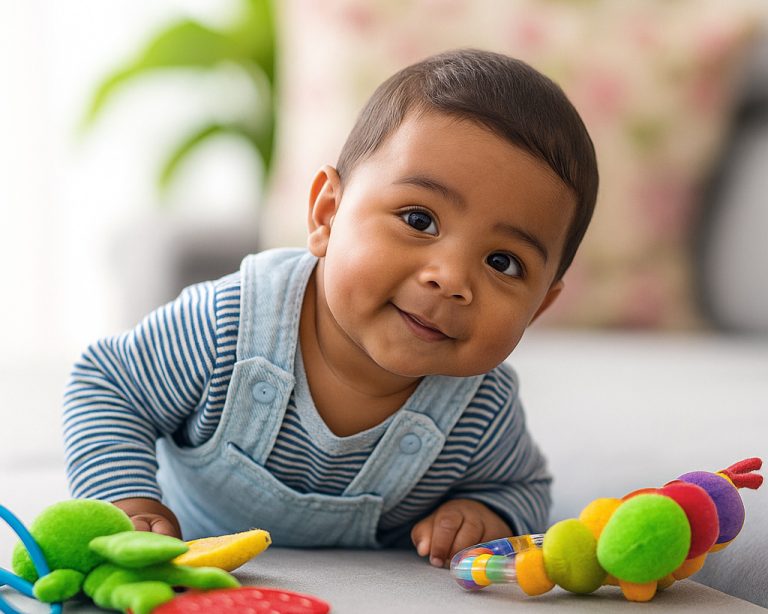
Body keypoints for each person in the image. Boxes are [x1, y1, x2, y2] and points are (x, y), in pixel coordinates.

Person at [63, 49, 598, 569]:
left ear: (540, 306)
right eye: (418, 220)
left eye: (503, 262)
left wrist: (486, 512)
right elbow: (107, 385)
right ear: (327, 214)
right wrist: (125, 499)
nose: (451, 278)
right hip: (196, 550)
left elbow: (522, 487)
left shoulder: (480, 409)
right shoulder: (230, 324)